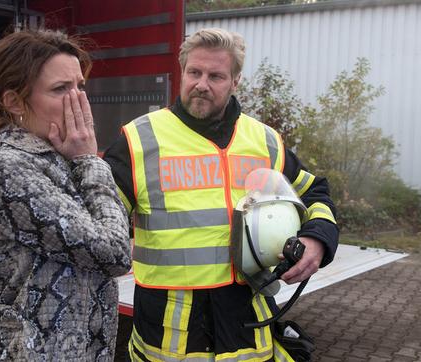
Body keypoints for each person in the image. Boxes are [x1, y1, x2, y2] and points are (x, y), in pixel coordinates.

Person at [103, 28, 339, 361]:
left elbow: (314, 193)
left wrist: (318, 240)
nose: (201, 84)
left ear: (235, 82)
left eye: (216, 76)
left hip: (248, 326)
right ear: (181, 71)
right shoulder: (140, 141)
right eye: (194, 72)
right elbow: (96, 219)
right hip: (169, 334)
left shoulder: (265, 140)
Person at [0, 30, 131, 361]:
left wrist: (79, 161)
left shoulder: (57, 157)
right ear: (14, 102)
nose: (78, 100)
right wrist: (88, 161)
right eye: (60, 89)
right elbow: (114, 251)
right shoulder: (8, 170)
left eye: (80, 86)